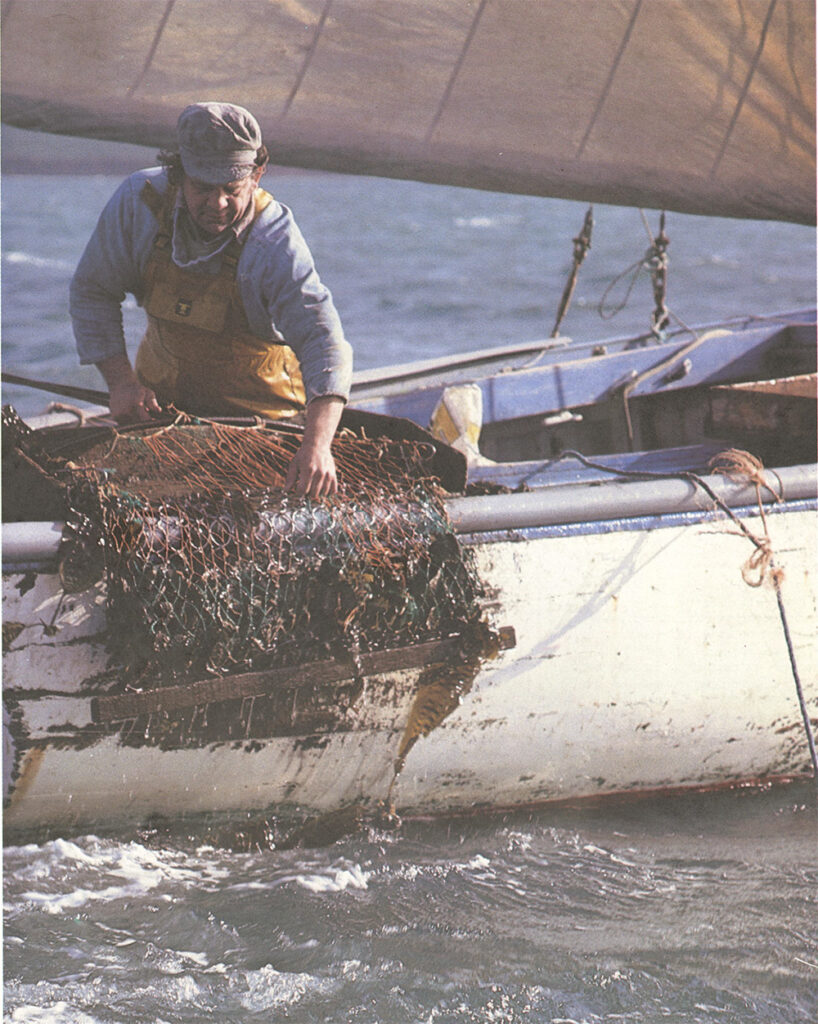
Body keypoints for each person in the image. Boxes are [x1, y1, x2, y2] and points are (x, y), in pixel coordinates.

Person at [70, 101, 353, 497]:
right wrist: (121, 383)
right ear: (178, 174)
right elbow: (92, 291)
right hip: (159, 418)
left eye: (231, 190)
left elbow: (323, 340)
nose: (217, 205)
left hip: (263, 425)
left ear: (256, 176)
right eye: (202, 188)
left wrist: (317, 445)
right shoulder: (140, 201)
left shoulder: (274, 240)